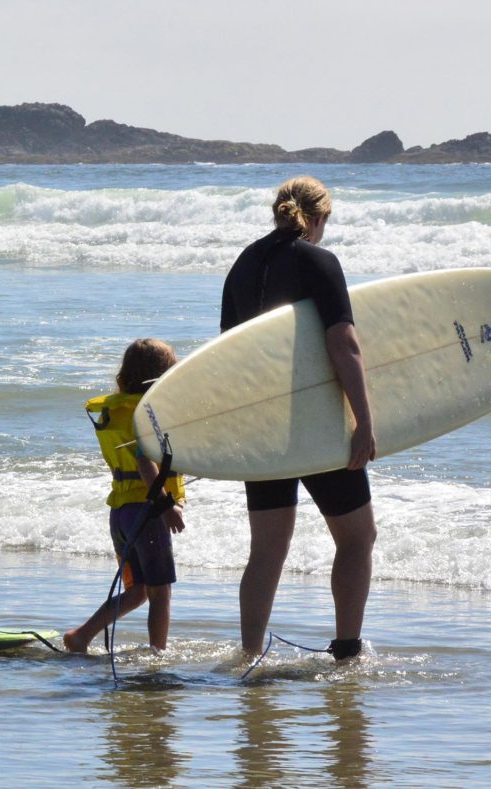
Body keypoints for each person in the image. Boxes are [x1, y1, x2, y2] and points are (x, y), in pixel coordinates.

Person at [220, 176, 377, 661]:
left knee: (266, 549)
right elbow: (343, 344)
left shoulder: (243, 264)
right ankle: (347, 650)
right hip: (313, 424)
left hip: (260, 426)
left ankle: (248, 655)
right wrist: (364, 421)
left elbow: (227, 356)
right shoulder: (320, 262)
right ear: (321, 217)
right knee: (357, 536)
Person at [63, 339, 189, 653]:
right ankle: (159, 654)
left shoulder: (118, 413)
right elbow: (145, 463)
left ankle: (81, 635)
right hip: (147, 513)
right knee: (161, 594)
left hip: (121, 513)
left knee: (139, 591)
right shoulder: (146, 415)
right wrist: (165, 507)